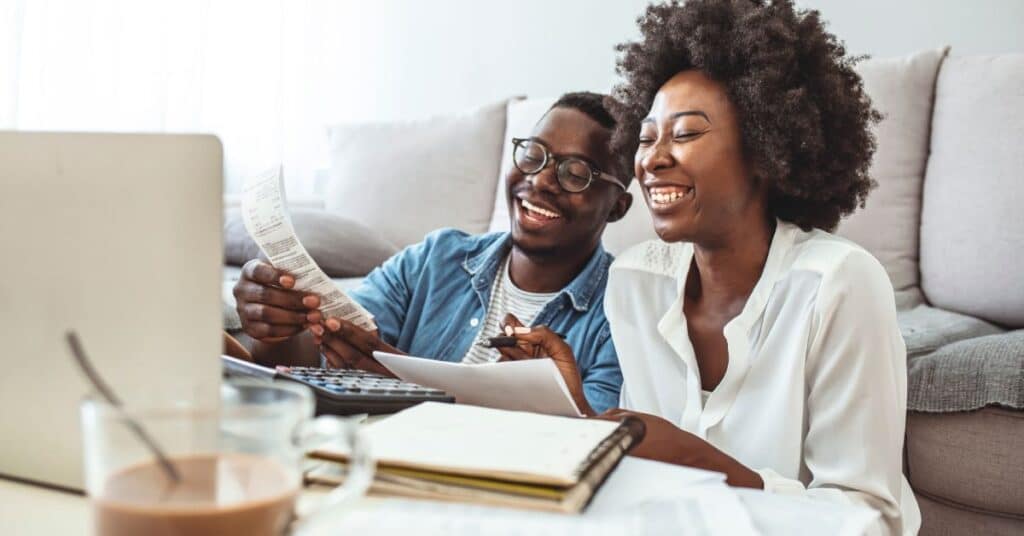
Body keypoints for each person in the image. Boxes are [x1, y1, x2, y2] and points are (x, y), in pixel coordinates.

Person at [503, 1, 919, 534]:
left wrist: (704, 461)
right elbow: (646, 480)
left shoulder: (838, 284)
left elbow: (872, 518)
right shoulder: (636, 283)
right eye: (648, 137)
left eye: (686, 134)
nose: (651, 160)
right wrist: (580, 414)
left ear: (765, 152)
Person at [232, 92, 633, 413]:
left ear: (617, 206)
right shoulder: (435, 259)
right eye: (532, 155)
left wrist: (409, 387)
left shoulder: (624, 312)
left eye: (575, 173)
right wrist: (277, 328)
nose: (541, 179)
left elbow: (596, 434)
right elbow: (317, 361)